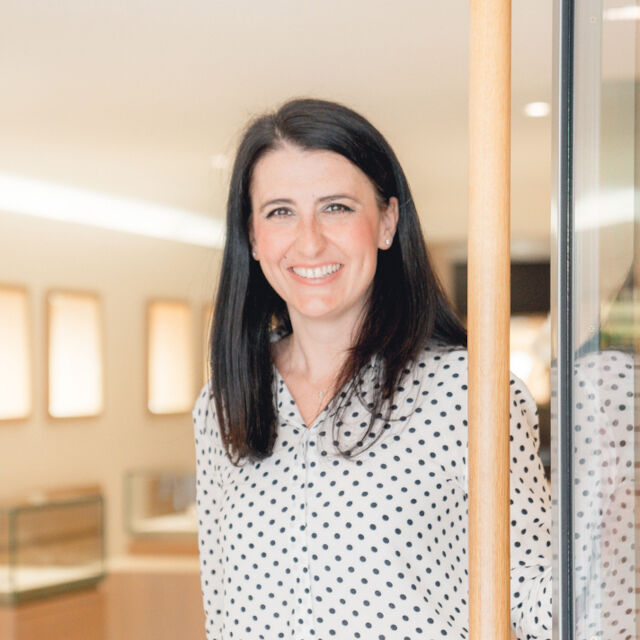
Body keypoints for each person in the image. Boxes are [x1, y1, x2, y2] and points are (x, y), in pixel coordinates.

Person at [193, 98, 552, 639]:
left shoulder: (469, 393)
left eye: (336, 207)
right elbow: (221, 613)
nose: (309, 240)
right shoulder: (222, 405)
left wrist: (607, 493)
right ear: (252, 236)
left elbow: (540, 607)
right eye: (280, 212)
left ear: (387, 222)